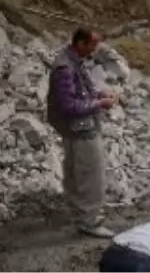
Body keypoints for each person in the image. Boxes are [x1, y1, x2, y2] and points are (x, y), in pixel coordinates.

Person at [46, 27, 117, 238]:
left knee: (76, 174)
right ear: (80, 43)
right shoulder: (64, 69)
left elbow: (80, 91)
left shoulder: (73, 61)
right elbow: (68, 105)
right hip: (80, 130)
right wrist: (99, 103)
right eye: (92, 45)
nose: (95, 50)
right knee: (91, 177)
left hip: (76, 129)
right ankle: (90, 221)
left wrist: (97, 94)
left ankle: (79, 214)